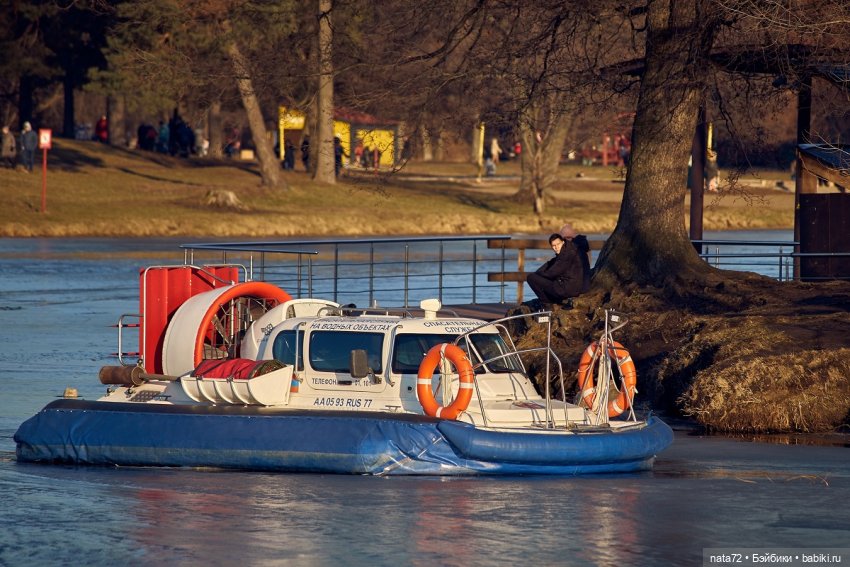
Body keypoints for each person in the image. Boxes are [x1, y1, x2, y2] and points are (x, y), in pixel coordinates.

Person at [526, 229, 590, 308]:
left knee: (531, 278)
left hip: (569, 289)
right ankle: (551, 299)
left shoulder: (566, 254)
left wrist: (538, 275)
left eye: (558, 244)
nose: (556, 247)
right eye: (553, 246)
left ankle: (546, 303)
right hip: (582, 288)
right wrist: (539, 272)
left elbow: (552, 273)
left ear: (563, 241)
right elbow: (552, 263)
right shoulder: (575, 249)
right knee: (545, 277)